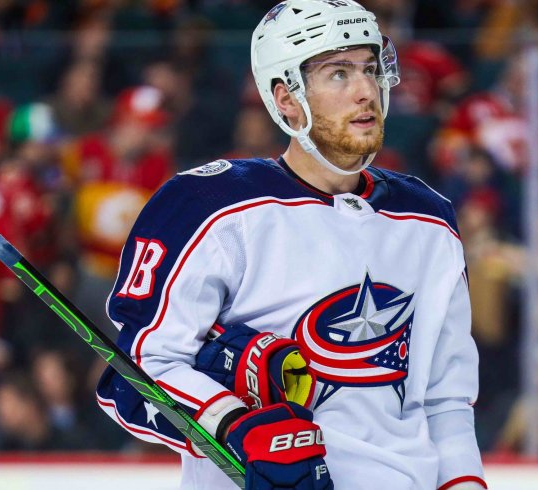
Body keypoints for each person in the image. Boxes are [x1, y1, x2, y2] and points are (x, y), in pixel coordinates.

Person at [96, 2, 485, 490]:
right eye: (338, 74)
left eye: (369, 69)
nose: (366, 90)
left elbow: (445, 400)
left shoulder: (428, 218)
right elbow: (140, 370)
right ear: (287, 98)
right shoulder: (208, 207)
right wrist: (232, 424)